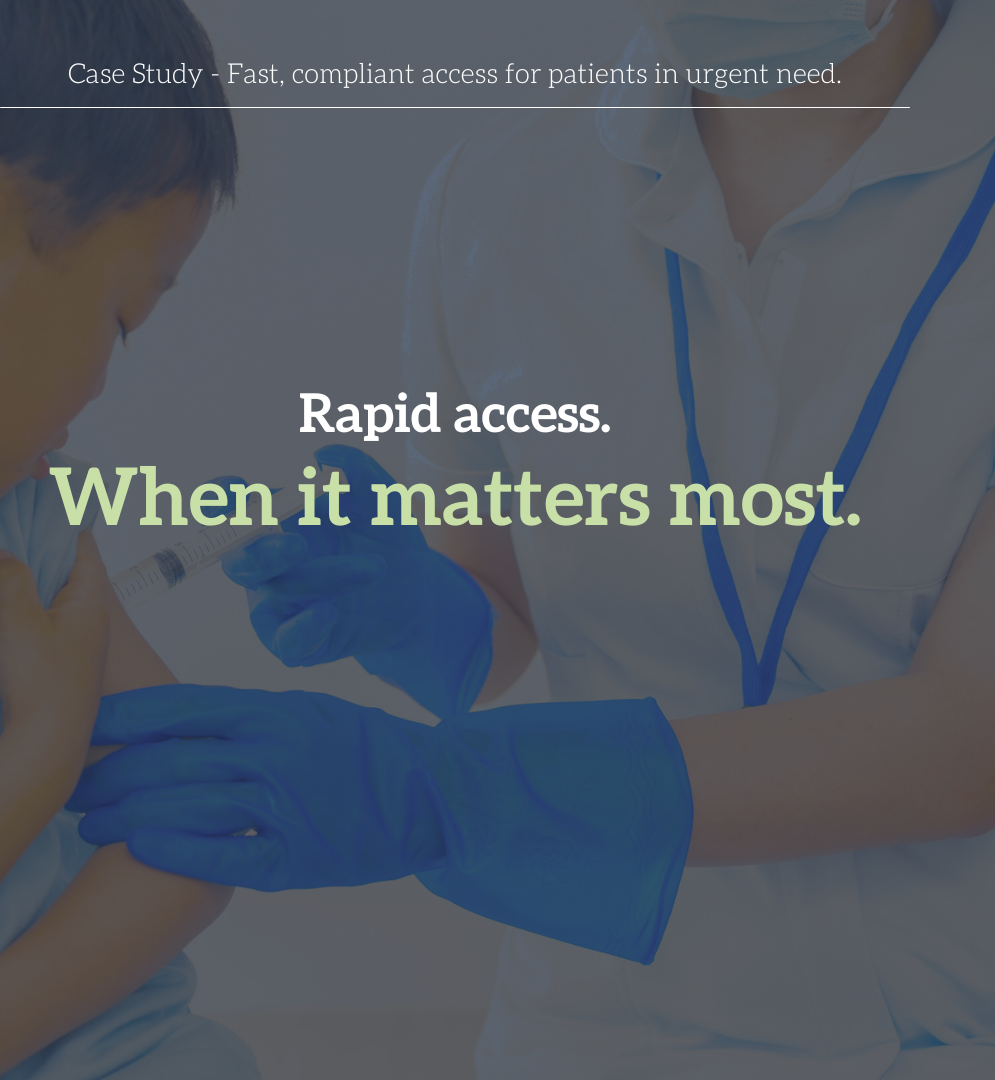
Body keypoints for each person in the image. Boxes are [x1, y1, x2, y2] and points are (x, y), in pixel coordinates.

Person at [72, 0, 995, 1075]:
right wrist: (413, 602)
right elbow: (501, 610)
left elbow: (965, 737)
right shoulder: (498, 200)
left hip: (948, 1019)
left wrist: (439, 791)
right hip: (599, 1028)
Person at [0, 2, 261, 1076]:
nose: (107, 381)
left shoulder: (17, 508)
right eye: (121, 320)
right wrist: (44, 746)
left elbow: (207, 821)